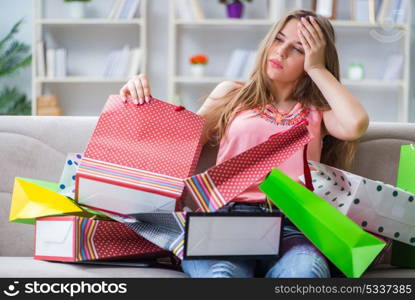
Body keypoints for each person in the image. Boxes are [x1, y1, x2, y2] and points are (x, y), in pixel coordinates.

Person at [118, 9, 369, 278]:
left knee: (305, 272)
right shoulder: (232, 94)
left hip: (294, 224)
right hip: (227, 219)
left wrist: (317, 68)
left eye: (297, 48)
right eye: (278, 39)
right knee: (223, 274)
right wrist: (136, 101)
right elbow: (177, 146)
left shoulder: (317, 111)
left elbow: (356, 124)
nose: (281, 52)